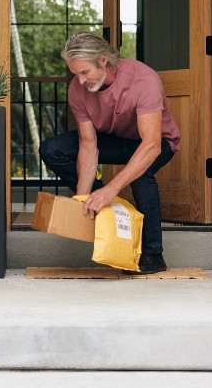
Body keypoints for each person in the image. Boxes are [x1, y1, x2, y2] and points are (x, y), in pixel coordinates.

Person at [38, 32, 181, 274]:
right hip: (115, 139)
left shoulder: (143, 80)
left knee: (141, 175)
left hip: (156, 141)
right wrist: (83, 201)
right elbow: (88, 145)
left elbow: (151, 145)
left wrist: (112, 188)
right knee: (52, 149)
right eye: (76, 74)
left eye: (85, 72)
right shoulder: (77, 89)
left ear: (103, 61)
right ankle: (100, 199)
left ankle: (153, 255)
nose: (80, 81)